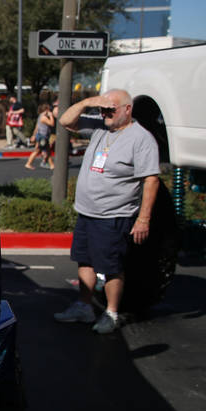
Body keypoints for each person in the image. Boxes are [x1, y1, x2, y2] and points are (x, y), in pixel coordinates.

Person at [53, 89, 160, 334]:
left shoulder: (141, 139)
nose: (105, 114)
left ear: (127, 109)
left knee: (111, 266)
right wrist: (89, 102)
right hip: (87, 212)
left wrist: (143, 219)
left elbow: (151, 180)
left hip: (114, 215)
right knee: (86, 260)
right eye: (102, 109)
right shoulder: (101, 127)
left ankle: (111, 312)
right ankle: (84, 305)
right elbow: (65, 120)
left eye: (110, 109)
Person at [24, 102, 55, 170]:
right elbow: (52, 124)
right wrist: (51, 116)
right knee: (38, 150)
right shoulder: (43, 117)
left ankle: (50, 164)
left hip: (41, 136)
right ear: (46, 110)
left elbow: (37, 127)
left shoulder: (40, 116)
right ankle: (29, 163)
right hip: (42, 136)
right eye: (49, 110)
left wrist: (34, 135)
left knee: (46, 150)